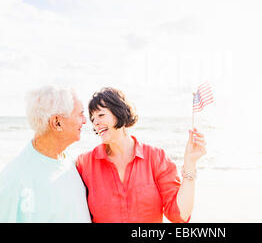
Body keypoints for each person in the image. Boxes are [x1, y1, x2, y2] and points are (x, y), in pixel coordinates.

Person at [76, 87, 207, 223]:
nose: (95, 122)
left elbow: (179, 216)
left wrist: (190, 163)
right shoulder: (84, 164)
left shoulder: (156, 158)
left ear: (119, 112)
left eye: (101, 115)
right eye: (92, 118)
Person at [0, 85, 91, 223]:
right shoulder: (14, 179)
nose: (85, 120)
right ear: (57, 122)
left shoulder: (71, 163)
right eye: (80, 114)